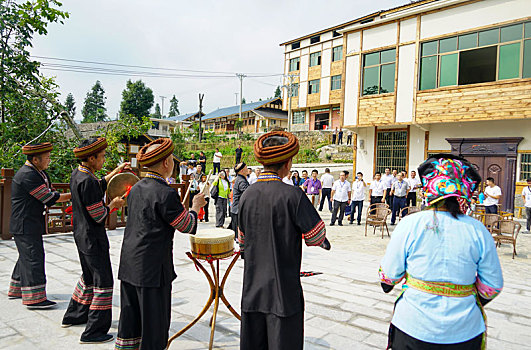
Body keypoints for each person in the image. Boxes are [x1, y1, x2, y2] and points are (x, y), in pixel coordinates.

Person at [379, 154, 503, 350]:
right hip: (464, 330)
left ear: (429, 191)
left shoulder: (410, 224)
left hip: (413, 325)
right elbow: (493, 286)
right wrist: (461, 295)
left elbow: (388, 277)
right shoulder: (478, 230)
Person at [238, 130, 331, 350]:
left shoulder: (247, 195)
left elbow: (242, 241)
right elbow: (316, 236)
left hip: (253, 290)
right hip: (283, 292)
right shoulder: (293, 195)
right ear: (288, 163)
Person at [115, 138, 205, 350]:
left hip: (129, 263)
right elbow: (187, 226)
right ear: (166, 163)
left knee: (131, 321)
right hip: (152, 268)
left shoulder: (137, 188)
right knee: (154, 325)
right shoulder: (165, 192)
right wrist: (195, 206)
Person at [63, 138, 128, 344]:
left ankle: (74, 315)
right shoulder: (88, 181)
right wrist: (114, 204)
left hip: (81, 235)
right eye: (101, 157)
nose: (103, 160)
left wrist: (116, 171)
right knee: (103, 282)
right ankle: (94, 331)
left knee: (89, 278)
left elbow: (99, 185)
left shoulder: (79, 174)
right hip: (93, 239)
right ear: (91, 158)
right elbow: (99, 215)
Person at [8, 143, 71, 309]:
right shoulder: (27, 175)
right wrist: (75, 194)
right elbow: (48, 197)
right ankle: (34, 298)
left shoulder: (38, 172)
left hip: (31, 222)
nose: (49, 160)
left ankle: (16, 289)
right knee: (33, 257)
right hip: (24, 223)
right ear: (35, 159)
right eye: (47, 158)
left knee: (26, 255)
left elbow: (49, 190)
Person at [230, 162, 249, 239]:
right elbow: (247, 192)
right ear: (241, 171)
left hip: (236, 210)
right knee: (239, 235)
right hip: (238, 210)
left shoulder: (240, 179)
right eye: (246, 168)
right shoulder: (241, 181)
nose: (247, 169)